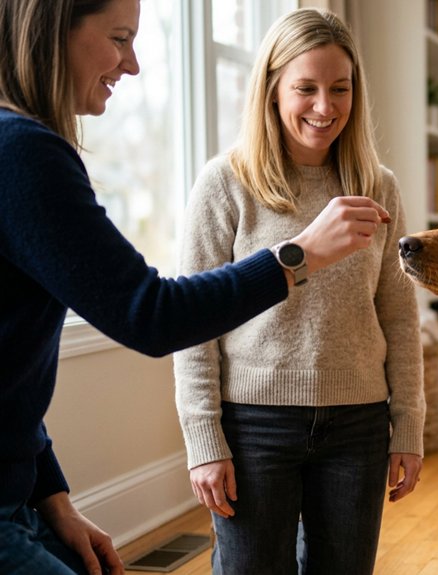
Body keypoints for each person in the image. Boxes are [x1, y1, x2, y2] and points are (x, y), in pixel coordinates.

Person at [0, 1, 392, 574]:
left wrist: (51, 496)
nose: (132, 63)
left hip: (21, 490)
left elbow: (9, 374)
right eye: (119, 37)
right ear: (55, 30)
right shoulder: (23, 153)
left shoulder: (23, 149)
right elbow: (155, 313)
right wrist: (299, 255)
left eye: (340, 88)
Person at [172, 8, 425, 575]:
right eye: (306, 88)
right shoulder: (225, 183)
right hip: (253, 426)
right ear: (271, 89)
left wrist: (408, 425)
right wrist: (204, 440)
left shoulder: (378, 187)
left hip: (358, 425)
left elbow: (399, 316)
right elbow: (194, 324)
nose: (325, 106)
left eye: (340, 88)